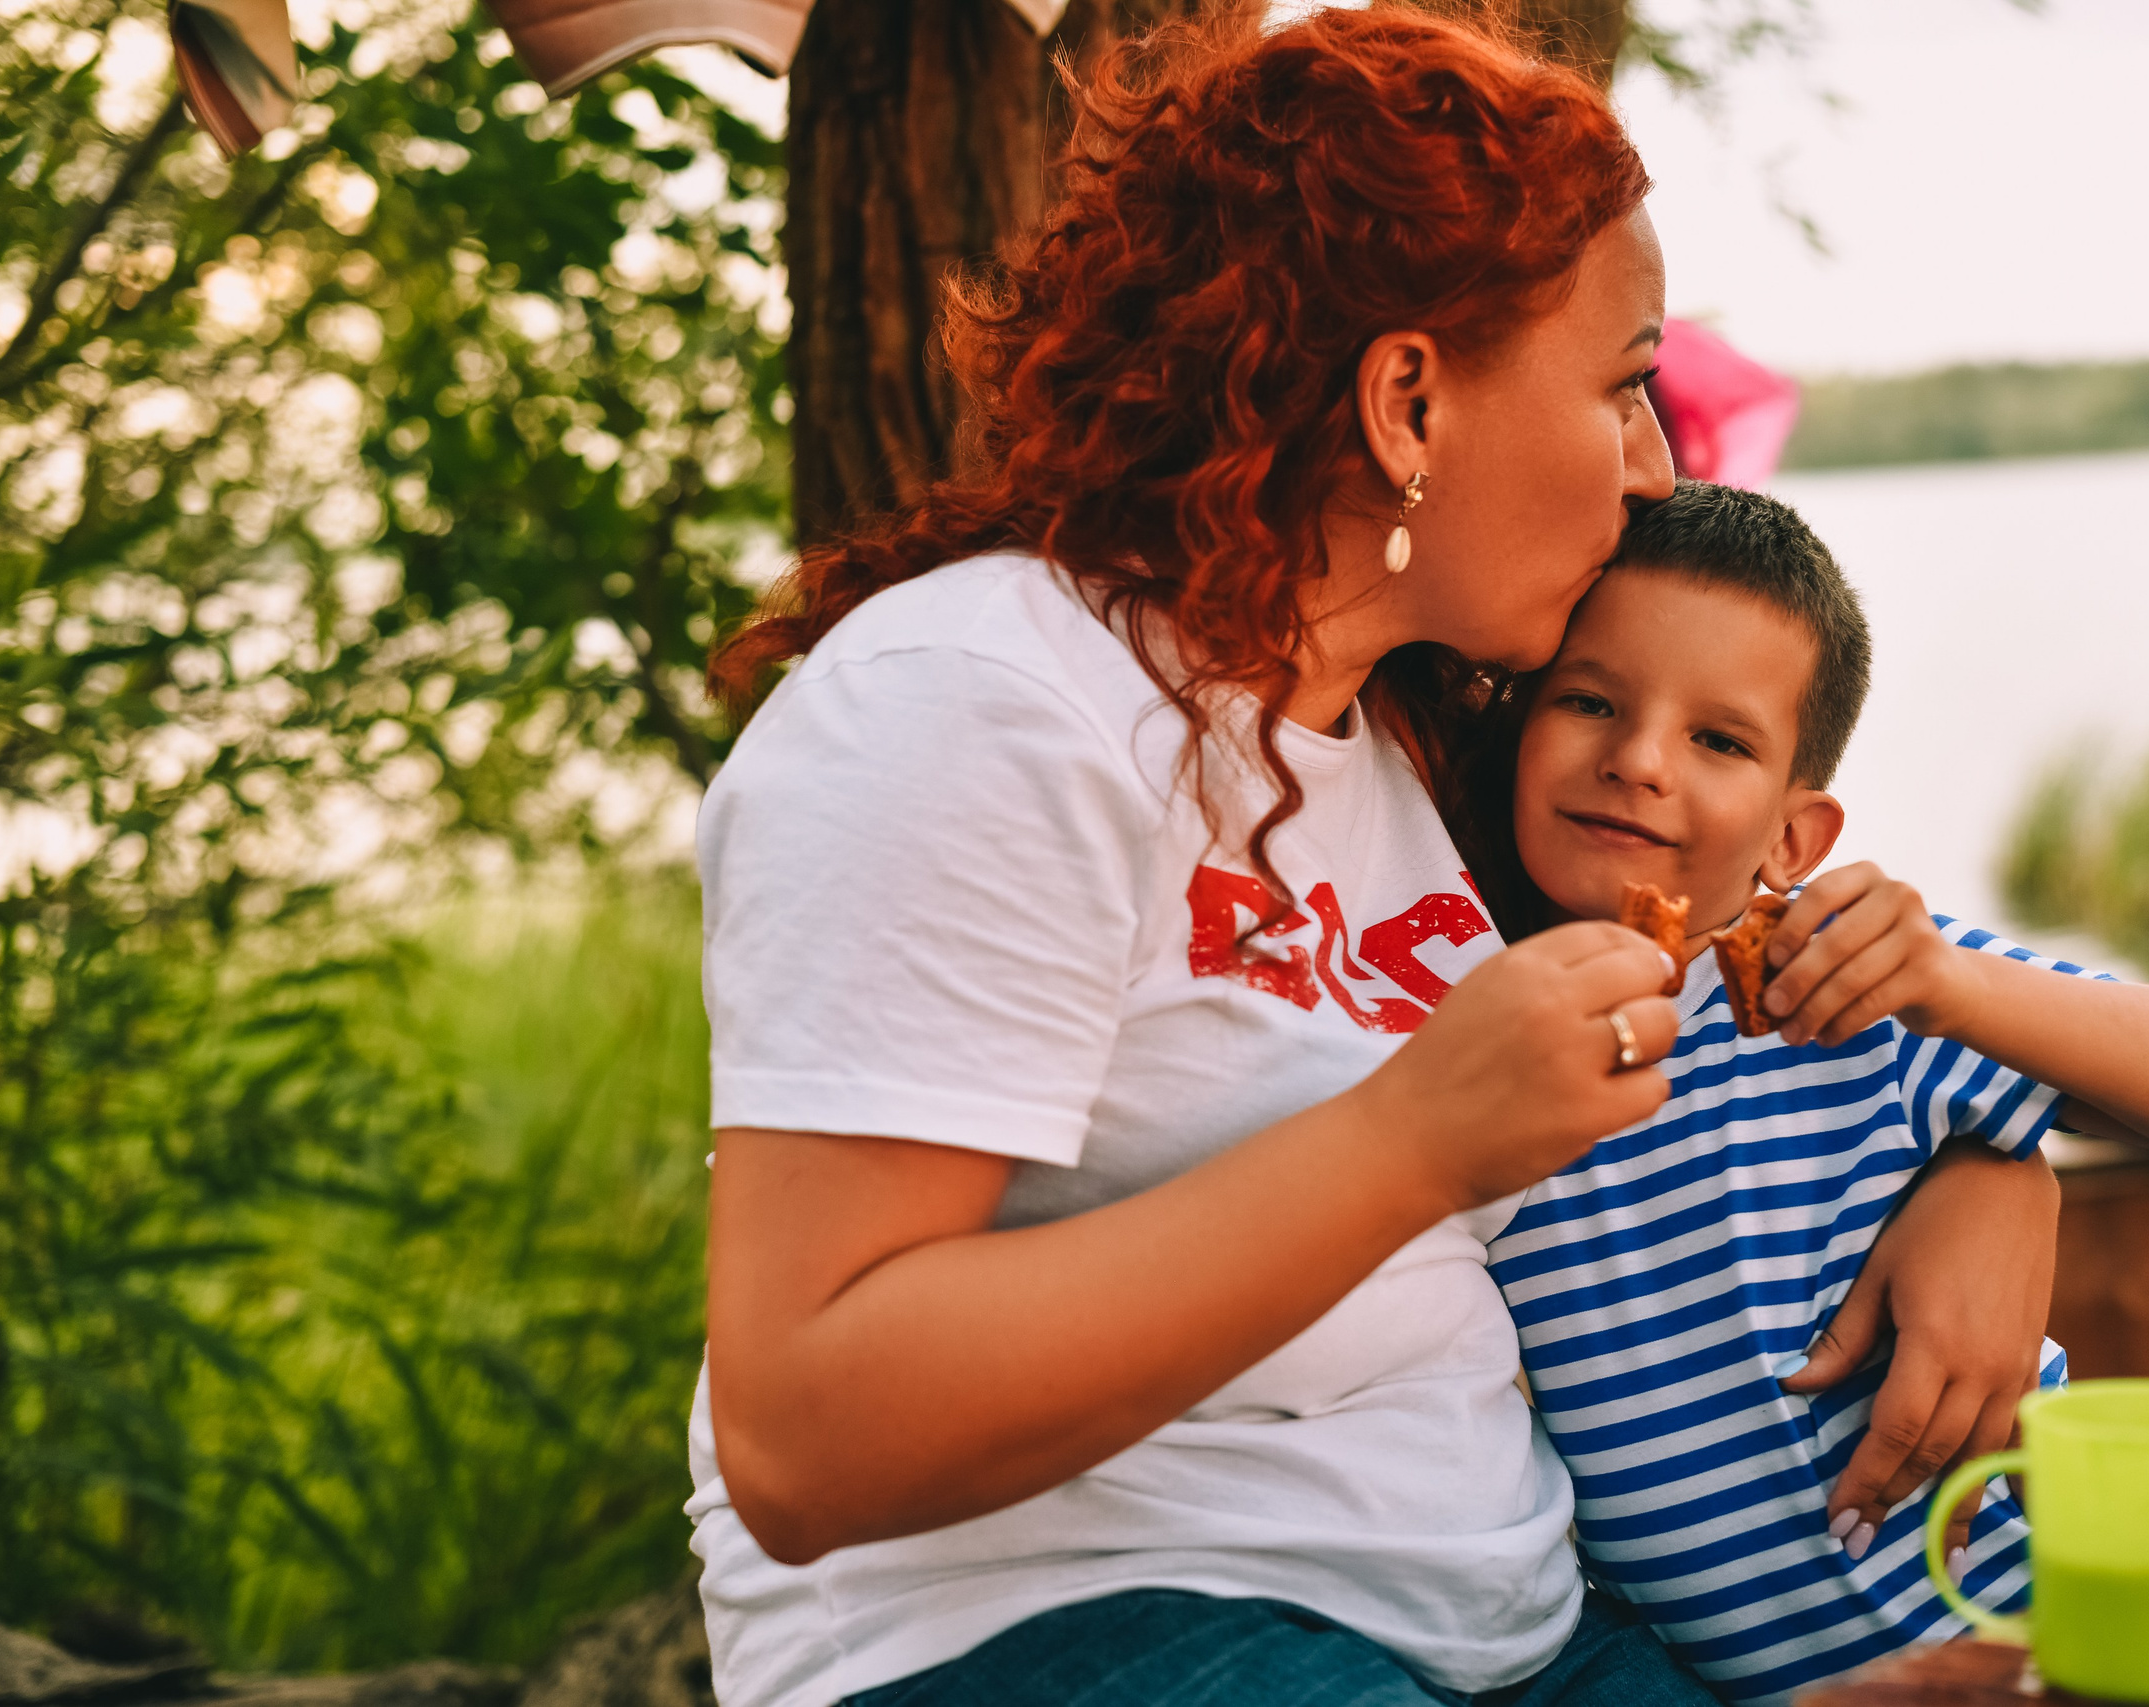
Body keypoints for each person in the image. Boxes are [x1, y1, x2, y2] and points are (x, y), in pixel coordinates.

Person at [690, 11, 2064, 1705]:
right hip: (1078, 1635)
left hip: (1510, 1637)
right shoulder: (981, 702)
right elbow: (809, 1431)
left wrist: (1992, 1174)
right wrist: (1409, 1141)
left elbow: (1784, 998)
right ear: (1410, 397)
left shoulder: (1414, 734)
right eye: (1626, 384)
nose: (1655, 474)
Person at [1449, 483, 2149, 1705]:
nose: (1638, 761)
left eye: (1720, 741)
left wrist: (1950, 985)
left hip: (2048, 1640)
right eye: (1589, 701)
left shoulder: (1850, 998)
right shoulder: (1453, 1048)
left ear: (1794, 840)